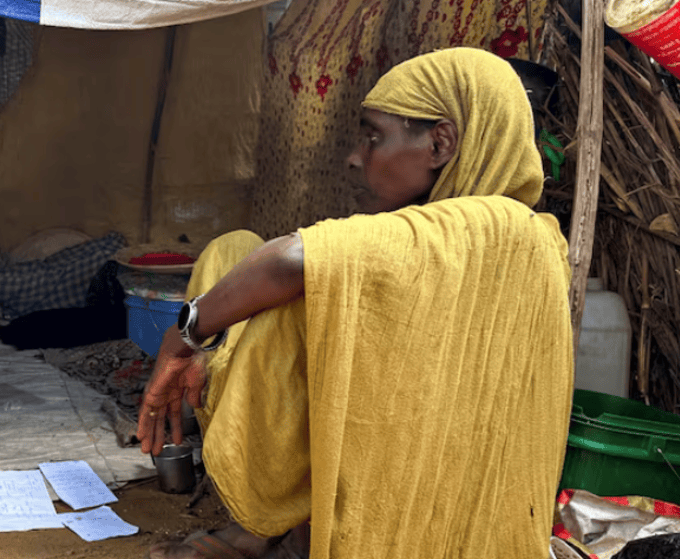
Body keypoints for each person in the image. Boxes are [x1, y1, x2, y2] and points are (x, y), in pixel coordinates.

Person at [137, 47, 574, 559]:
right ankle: (272, 527)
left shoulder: (500, 228)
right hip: (384, 457)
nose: (353, 156)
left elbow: (291, 263)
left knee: (275, 295)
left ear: (440, 143)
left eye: (373, 137)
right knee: (231, 255)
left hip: (427, 507)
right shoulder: (447, 232)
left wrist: (181, 338)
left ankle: (277, 531)